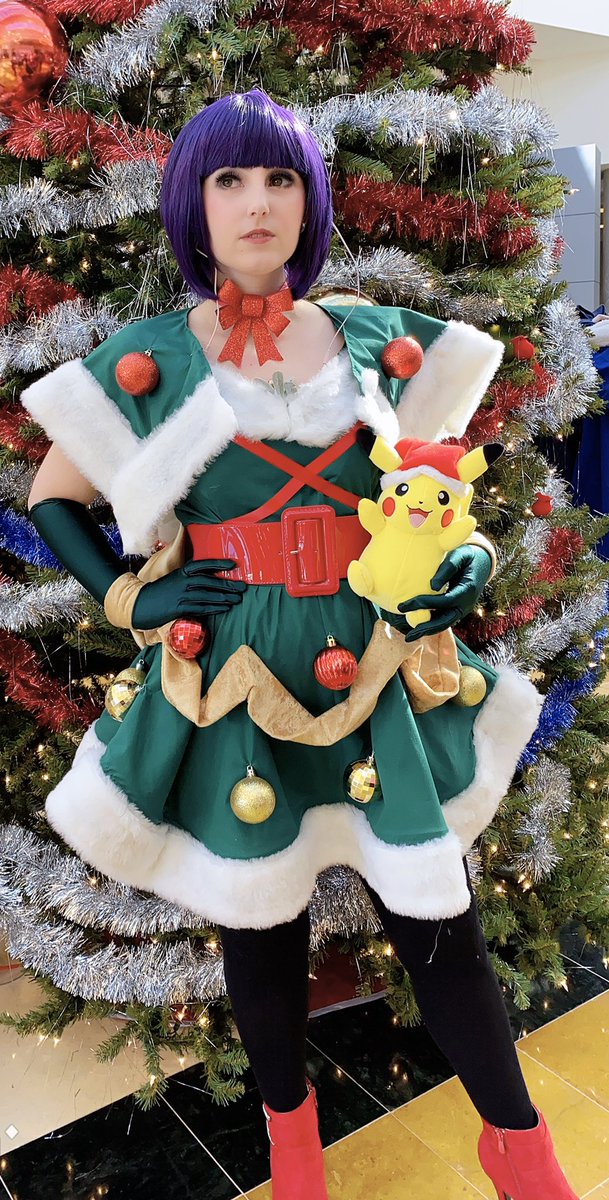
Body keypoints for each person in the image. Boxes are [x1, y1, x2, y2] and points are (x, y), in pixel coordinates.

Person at [23, 88, 578, 1200]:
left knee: (439, 917)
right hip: (236, 673)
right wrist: (131, 600)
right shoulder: (145, 359)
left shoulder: (378, 338)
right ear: (193, 203)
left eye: (280, 178)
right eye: (228, 180)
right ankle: (292, 1152)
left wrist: (466, 557)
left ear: (309, 200)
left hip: (376, 661)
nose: (257, 203)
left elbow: (438, 490)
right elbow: (52, 496)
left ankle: (521, 1149)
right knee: (260, 924)